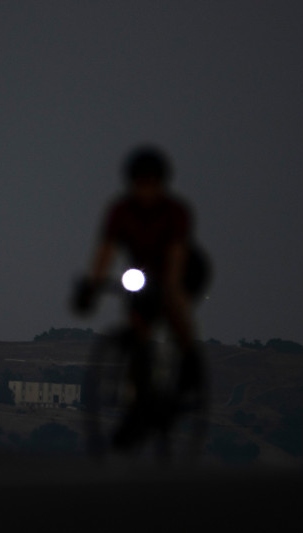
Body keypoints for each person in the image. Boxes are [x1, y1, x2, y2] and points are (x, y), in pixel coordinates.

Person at [73, 145, 209, 451]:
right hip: (144, 273)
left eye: (152, 184)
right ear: (132, 184)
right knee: (137, 327)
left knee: (172, 305)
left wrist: (171, 292)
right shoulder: (120, 212)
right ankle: (138, 406)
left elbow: (176, 260)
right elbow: (105, 252)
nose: (146, 191)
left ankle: (189, 360)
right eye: (140, 184)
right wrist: (91, 286)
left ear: (161, 185)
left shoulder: (176, 212)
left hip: (185, 269)